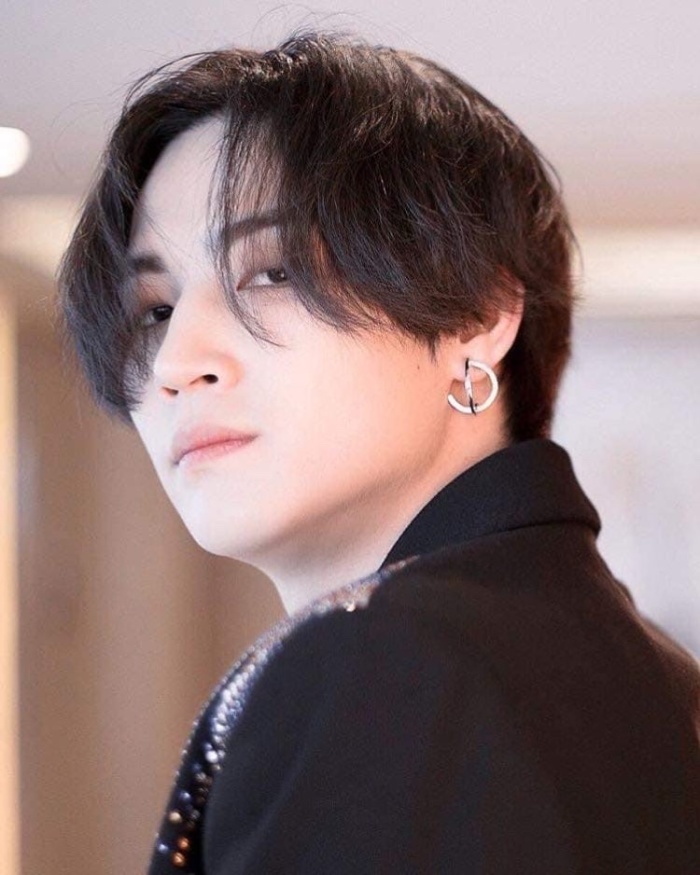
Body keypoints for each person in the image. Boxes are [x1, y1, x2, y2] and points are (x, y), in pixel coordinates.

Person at [58, 31, 700, 874]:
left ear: (477, 315)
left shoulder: (384, 662)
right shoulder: (651, 673)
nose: (177, 363)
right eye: (154, 310)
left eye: (273, 271)